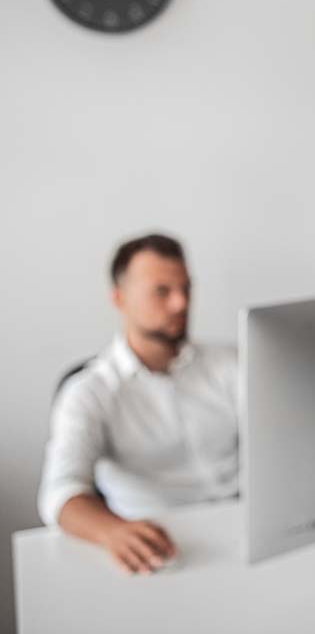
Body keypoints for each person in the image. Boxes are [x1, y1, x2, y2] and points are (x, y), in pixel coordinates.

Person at [37, 233, 239, 575]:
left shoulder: (232, 364)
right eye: (162, 291)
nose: (180, 303)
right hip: (161, 549)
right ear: (119, 298)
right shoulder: (90, 391)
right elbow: (60, 492)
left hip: (240, 532)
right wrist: (111, 531)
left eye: (186, 288)